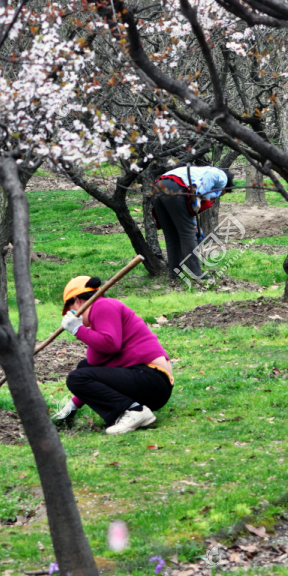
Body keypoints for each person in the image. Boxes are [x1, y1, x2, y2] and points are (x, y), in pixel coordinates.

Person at [52, 276, 174, 434]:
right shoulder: (99, 315)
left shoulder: (102, 305)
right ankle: (132, 409)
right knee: (84, 367)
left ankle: (135, 411)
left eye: (70, 310)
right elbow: (95, 361)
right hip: (148, 382)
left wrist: (79, 330)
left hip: (151, 378)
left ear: (77, 301)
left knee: (77, 377)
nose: (71, 314)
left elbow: (110, 344)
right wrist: (73, 405)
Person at [152, 165, 234, 283]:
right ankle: (197, 275)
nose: (218, 196)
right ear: (225, 188)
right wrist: (198, 195)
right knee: (187, 234)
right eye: (222, 194)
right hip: (176, 187)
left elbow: (185, 216)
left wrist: (195, 227)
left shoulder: (197, 175)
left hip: (158, 187)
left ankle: (174, 275)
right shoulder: (221, 176)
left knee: (172, 236)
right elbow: (210, 176)